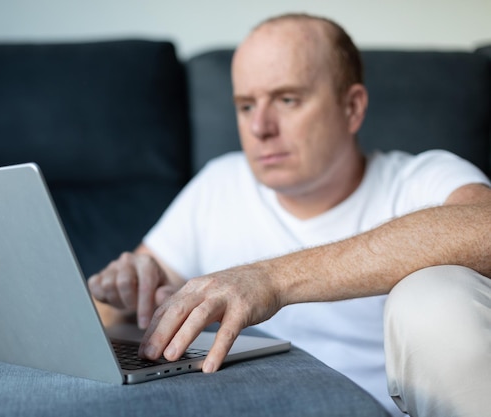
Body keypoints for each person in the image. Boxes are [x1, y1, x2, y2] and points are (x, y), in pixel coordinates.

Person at [88, 13, 491, 417]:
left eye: (287, 100)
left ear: (352, 107)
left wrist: (269, 279)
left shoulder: (424, 179)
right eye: (246, 106)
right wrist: (119, 292)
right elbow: (121, 301)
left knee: (437, 292)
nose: (260, 127)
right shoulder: (219, 183)